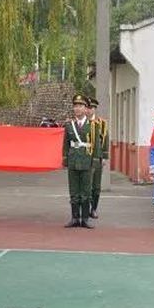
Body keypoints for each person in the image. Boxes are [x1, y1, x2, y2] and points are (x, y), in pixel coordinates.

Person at [63, 94, 94, 229]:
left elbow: (96, 144)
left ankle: (85, 219)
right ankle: (75, 217)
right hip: (73, 159)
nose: (78, 109)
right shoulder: (69, 125)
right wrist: (65, 159)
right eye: (75, 106)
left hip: (87, 159)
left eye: (80, 106)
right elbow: (65, 143)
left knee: (86, 191)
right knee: (74, 190)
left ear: (86, 109)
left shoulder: (93, 125)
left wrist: (98, 159)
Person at [87, 97, 109, 219]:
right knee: (87, 184)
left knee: (96, 185)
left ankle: (93, 208)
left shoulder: (102, 123)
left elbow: (105, 140)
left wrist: (104, 156)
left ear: (95, 109)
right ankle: (85, 208)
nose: (90, 110)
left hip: (97, 157)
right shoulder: (83, 123)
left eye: (92, 108)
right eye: (88, 108)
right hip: (85, 156)